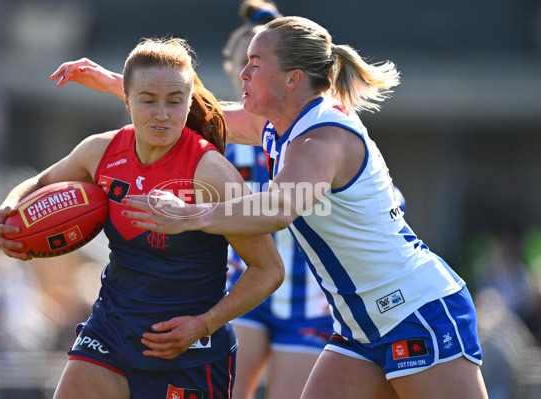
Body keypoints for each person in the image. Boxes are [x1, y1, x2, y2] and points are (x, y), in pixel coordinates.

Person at [50, 16, 488, 399]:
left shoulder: (322, 140)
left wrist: (191, 216)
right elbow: (199, 114)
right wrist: (119, 85)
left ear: (293, 79)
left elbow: (280, 209)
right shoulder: (280, 126)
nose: (242, 73)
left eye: (255, 66)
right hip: (361, 327)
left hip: (418, 311)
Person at [0, 37, 284, 399]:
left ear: (188, 102)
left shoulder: (211, 173)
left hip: (188, 351)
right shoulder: (100, 152)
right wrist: (10, 207)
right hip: (111, 332)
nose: (162, 114)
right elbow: (39, 183)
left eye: (174, 102)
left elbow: (269, 269)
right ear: (126, 98)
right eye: (148, 101)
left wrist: (202, 325)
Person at [222, 2, 333, 398]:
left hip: (309, 300)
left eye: (260, 64)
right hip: (248, 287)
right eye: (245, 65)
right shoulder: (221, 140)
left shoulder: (315, 136)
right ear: (233, 71)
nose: (251, 76)